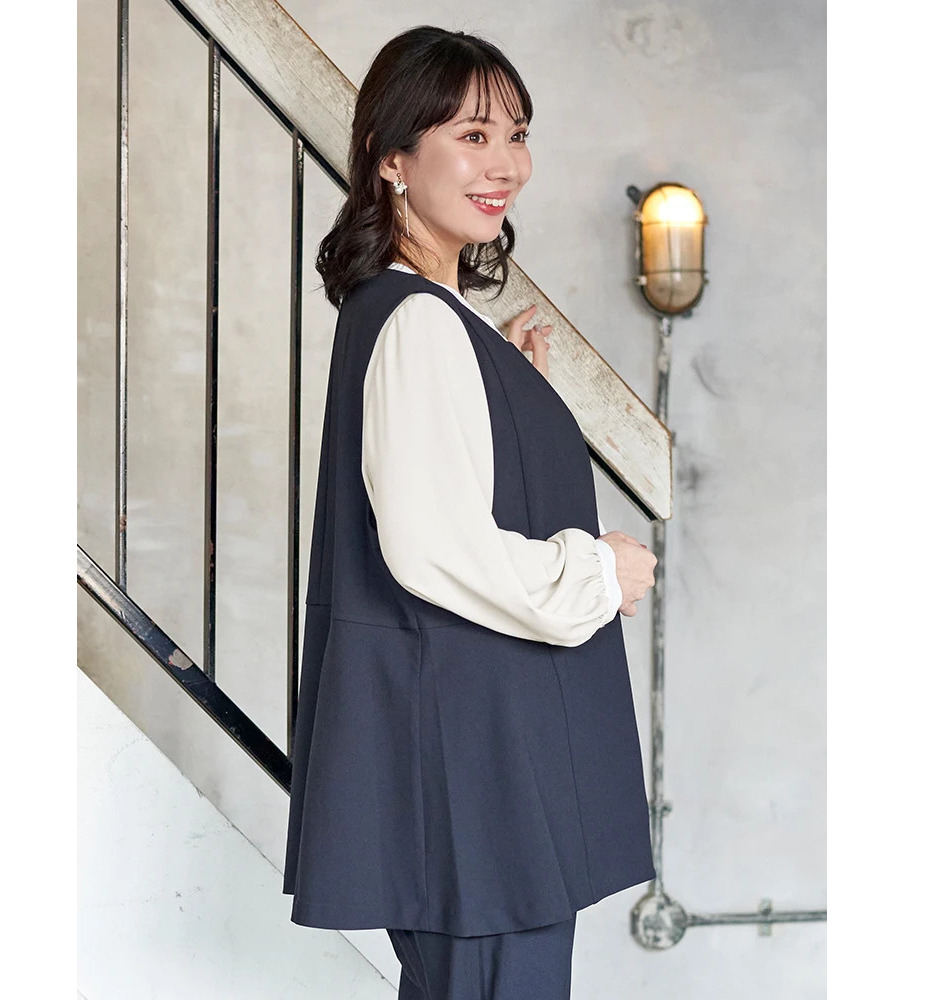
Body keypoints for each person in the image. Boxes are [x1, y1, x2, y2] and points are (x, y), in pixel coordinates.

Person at [282, 26, 658, 1000]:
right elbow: (431, 546)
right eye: (473, 136)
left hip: (480, 774)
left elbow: (445, 495)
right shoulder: (415, 321)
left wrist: (505, 391)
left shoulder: (420, 316)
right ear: (392, 157)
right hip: (480, 779)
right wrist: (599, 571)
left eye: (516, 135)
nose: (506, 165)